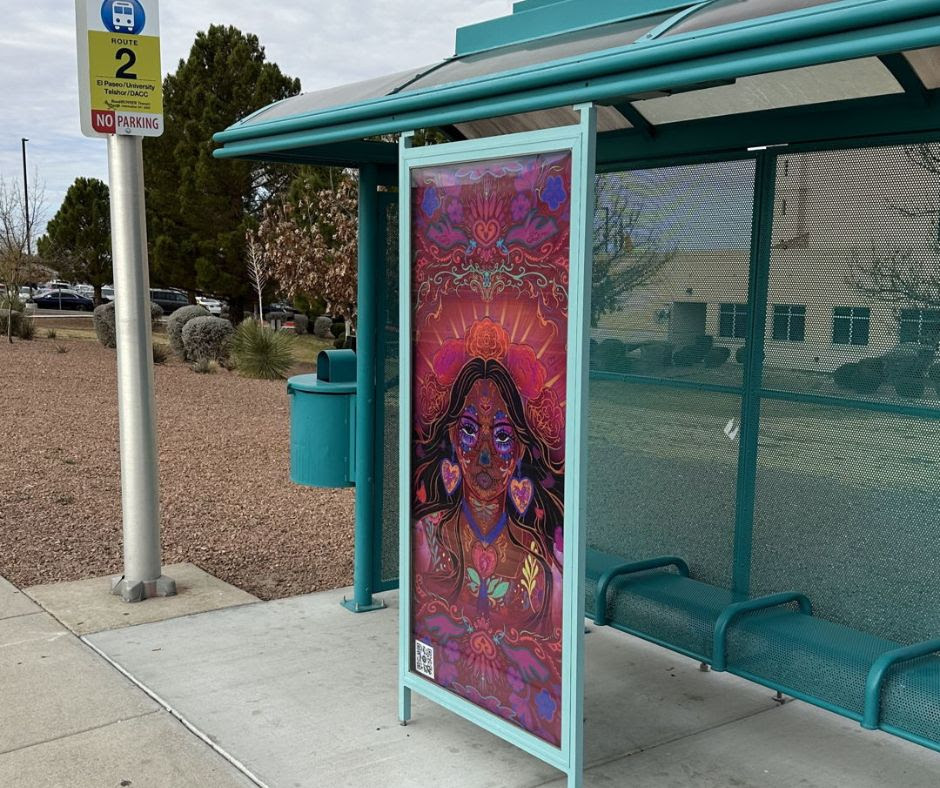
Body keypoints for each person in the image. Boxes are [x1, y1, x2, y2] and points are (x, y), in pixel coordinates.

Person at [411, 318, 565, 745]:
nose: (481, 454)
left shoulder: (539, 560)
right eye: (468, 430)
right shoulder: (427, 537)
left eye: (499, 435)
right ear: (452, 442)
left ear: (518, 448)